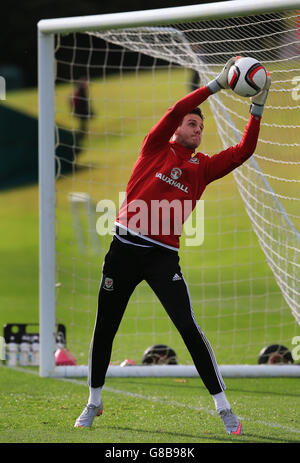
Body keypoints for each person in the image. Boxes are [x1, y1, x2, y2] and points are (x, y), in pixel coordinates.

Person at [74, 57, 271, 434]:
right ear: (176, 127)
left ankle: (224, 408)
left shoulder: (203, 168)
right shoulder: (154, 148)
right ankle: (93, 401)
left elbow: (244, 151)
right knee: (106, 327)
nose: (197, 129)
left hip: (162, 258)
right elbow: (178, 106)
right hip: (123, 251)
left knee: (188, 327)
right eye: (192, 123)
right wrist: (216, 84)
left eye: (201, 126)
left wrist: (257, 108)